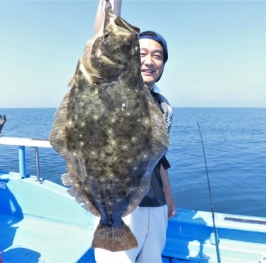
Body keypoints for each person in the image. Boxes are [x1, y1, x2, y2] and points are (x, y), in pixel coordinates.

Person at [94, 1, 176, 262]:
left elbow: (158, 159)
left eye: (157, 55)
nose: (149, 61)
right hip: (121, 206)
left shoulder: (163, 107)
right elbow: (102, 40)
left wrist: (169, 198)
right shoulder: (116, 87)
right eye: (141, 53)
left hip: (156, 204)